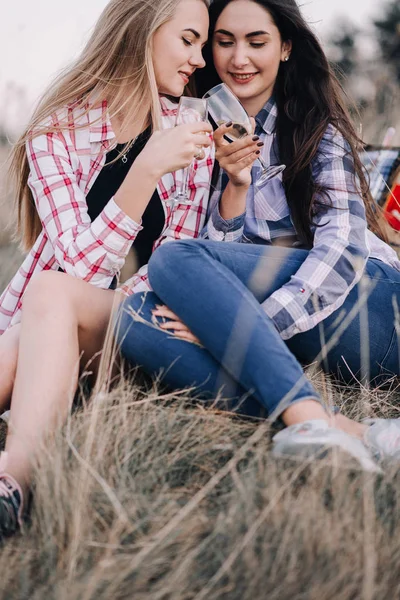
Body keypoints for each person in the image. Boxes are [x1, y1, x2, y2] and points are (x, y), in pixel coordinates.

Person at [118, 0, 400, 472]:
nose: (238, 58)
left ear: (286, 47)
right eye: (224, 42)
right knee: (134, 318)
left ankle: (310, 416)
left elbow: (343, 252)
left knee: (171, 262)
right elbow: (210, 271)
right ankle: (344, 428)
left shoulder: (318, 130)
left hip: (370, 308)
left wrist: (248, 325)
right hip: (295, 336)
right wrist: (235, 187)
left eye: (257, 41)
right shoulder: (194, 136)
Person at [0, 0, 221, 539]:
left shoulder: (192, 136)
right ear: (144, 28)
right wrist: (143, 171)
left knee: (52, 296)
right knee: (29, 326)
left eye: (201, 44)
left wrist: (149, 168)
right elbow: (79, 262)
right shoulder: (56, 132)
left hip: (140, 335)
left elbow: (175, 266)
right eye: (189, 40)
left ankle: (13, 481)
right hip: (45, 328)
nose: (199, 58)